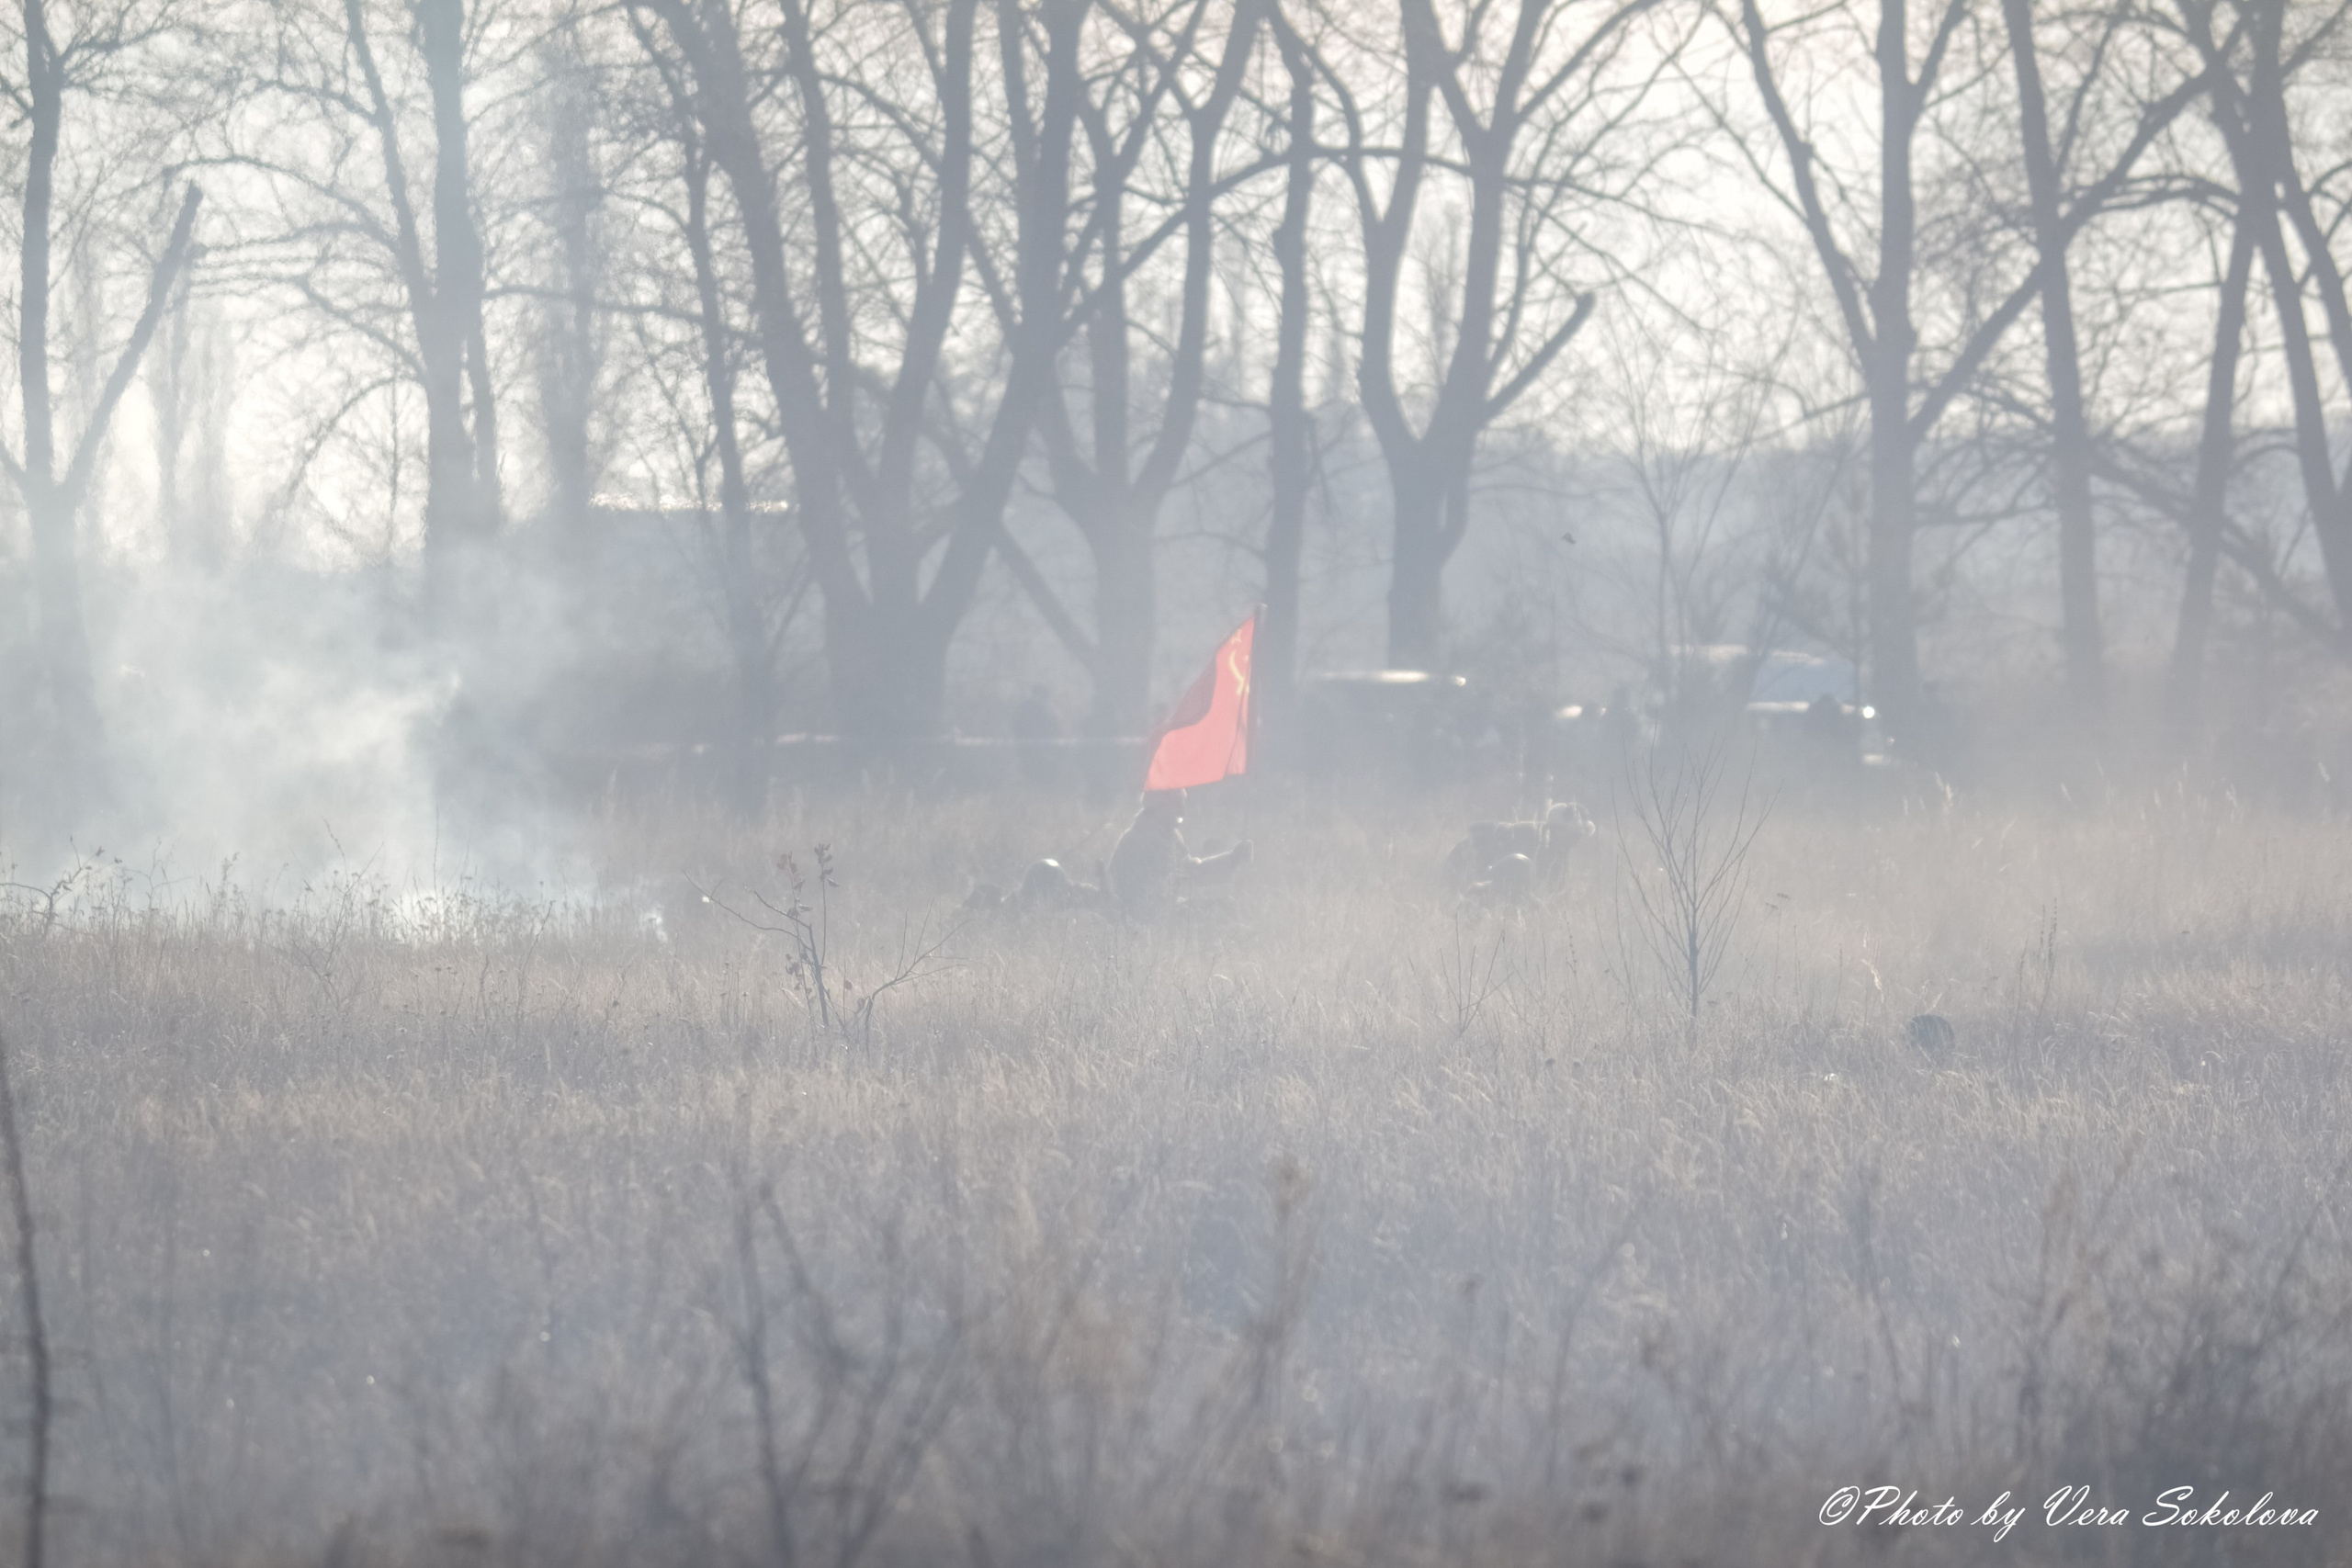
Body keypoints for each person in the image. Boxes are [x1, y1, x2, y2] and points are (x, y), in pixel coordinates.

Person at [1106, 789, 1250, 913]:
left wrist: (1233, 859)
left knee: (1223, 906)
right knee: (1217, 911)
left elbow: (1192, 871)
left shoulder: (1163, 833)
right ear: (1161, 807)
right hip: (1142, 916)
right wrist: (1233, 860)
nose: (1182, 811)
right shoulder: (1147, 838)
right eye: (1177, 804)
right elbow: (1192, 874)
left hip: (1155, 910)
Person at [1011, 684, 1062, 785]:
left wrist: (1020, 735)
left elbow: (1014, 723)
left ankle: (1033, 781)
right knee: (1042, 761)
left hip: (1027, 740)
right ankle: (1043, 781)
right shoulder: (1049, 707)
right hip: (1044, 741)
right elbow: (1057, 723)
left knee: (1029, 761)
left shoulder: (1024, 706)